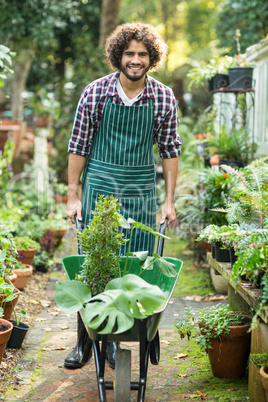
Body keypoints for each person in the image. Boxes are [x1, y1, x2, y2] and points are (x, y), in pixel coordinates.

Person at [65, 22, 181, 370]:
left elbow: (171, 150)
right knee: (95, 265)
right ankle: (85, 342)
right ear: (118, 55)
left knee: (134, 263)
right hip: (100, 186)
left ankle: (119, 339)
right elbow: (78, 146)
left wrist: (169, 200)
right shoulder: (96, 92)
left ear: (152, 58)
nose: (135, 59)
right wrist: (74, 195)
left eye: (142, 54)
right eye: (129, 53)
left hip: (141, 190)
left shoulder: (162, 97)